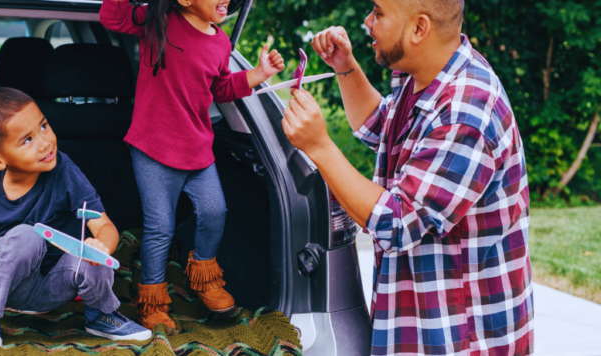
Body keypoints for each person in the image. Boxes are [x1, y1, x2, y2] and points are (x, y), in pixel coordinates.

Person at [280, 0, 533, 354]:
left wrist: (319, 147)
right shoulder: (423, 77)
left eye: (378, 12)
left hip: (459, 339)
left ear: (419, 29)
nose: (368, 21)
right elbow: (383, 129)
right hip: (422, 325)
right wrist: (345, 67)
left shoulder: (467, 112)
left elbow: (396, 223)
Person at [99, 0, 285, 331]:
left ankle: (203, 276)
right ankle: (152, 301)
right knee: (161, 228)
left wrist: (260, 74)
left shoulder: (220, 41)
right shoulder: (160, 22)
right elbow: (113, 16)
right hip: (152, 147)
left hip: (197, 148)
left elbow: (221, 88)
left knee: (215, 212)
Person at [0, 88, 151, 346]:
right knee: (27, 235)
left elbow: (103, 224)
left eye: (44, 126)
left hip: (58, 285)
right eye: (27, 140)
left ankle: (99, 314)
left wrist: (102, 246)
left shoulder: (64, 171)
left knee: (92, 254)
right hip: (9, 290)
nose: (45, 142)